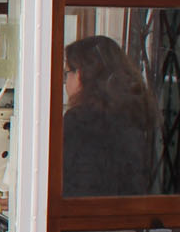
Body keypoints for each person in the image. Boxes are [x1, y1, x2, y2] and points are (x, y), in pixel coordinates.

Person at [61, 35, 158, 197]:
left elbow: (67, 182)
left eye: (67, 73)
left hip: (83, 215)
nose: (65, 83)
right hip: (124, 215)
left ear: (81, 74)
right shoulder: (134, 113)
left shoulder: (78, 120)